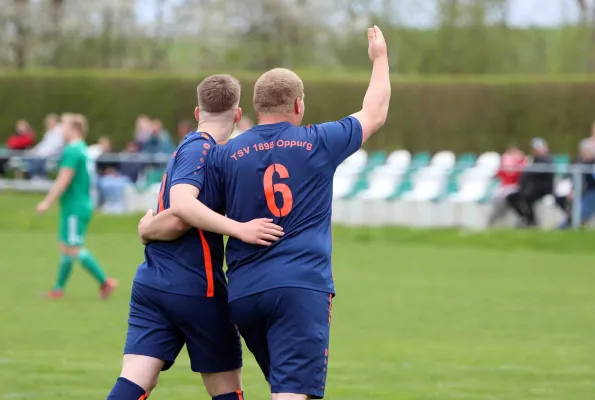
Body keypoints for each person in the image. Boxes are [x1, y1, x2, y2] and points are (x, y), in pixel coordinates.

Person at [202, 26, 390, 400]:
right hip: (299, 289)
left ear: (256, 108)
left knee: (290, 389)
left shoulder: (225, 155)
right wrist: (380, 59)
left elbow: (192, 209)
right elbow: (375, 113)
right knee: (291, 393)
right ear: (298, 106)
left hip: (244, 294)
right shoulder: (318, 141)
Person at [106, 74, 284, 400]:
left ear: (197, 110)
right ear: (238, 114)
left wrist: (145, 230)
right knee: (226, 389)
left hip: (153, 283)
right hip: (195, 285)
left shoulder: (190, 149)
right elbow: (180, 212)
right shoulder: (202, 150)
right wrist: (240, 229)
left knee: (135, 382)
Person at [36, 114, 117, 299]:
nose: (61, 132)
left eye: (64, 127)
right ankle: (58, 289)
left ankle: (105, 282)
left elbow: (63, 180)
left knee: (74, 248)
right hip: (76, 205)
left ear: (74, 130)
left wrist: (46, 202)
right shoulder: (82, 149)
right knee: (65, 247)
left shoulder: (72, 150)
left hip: (75, 207)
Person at [506, 137, 554, 227]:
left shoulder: (547, 159)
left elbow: (538, 174)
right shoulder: (534, 160)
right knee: (512, 197)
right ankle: (525, 218)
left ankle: (531, 220)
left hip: (542, 189)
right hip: (530, 188)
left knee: (527, 198)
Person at [557, 139, 595, 228]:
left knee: (581, 211)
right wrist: (572, 190)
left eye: (585, 152)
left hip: (591, 192)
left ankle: (570, 225)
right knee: (561, 199)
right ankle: (567, 224)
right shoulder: (579, 162)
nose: (583, 154)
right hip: (581, 191)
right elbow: (571, 177)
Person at [487, 145, 526, 226]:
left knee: (507, 196)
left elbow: (518, 175)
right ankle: (495, 215)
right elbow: (499, 173)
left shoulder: (521, 161)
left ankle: (497, 216)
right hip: (504, 186)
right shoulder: (506, 161)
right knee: (496, 196)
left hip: (515, 186)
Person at [26, 113, 64, 179]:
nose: (47, 124)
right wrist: (35, 150)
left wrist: (41, 153)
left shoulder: (59, 133)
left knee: (37, 158)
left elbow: (55, 147)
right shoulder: (49, 132)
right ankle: (36, 177)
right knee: (31, 156)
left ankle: (40, 177)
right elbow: (43, 144)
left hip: (53, 156)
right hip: (45, 154)